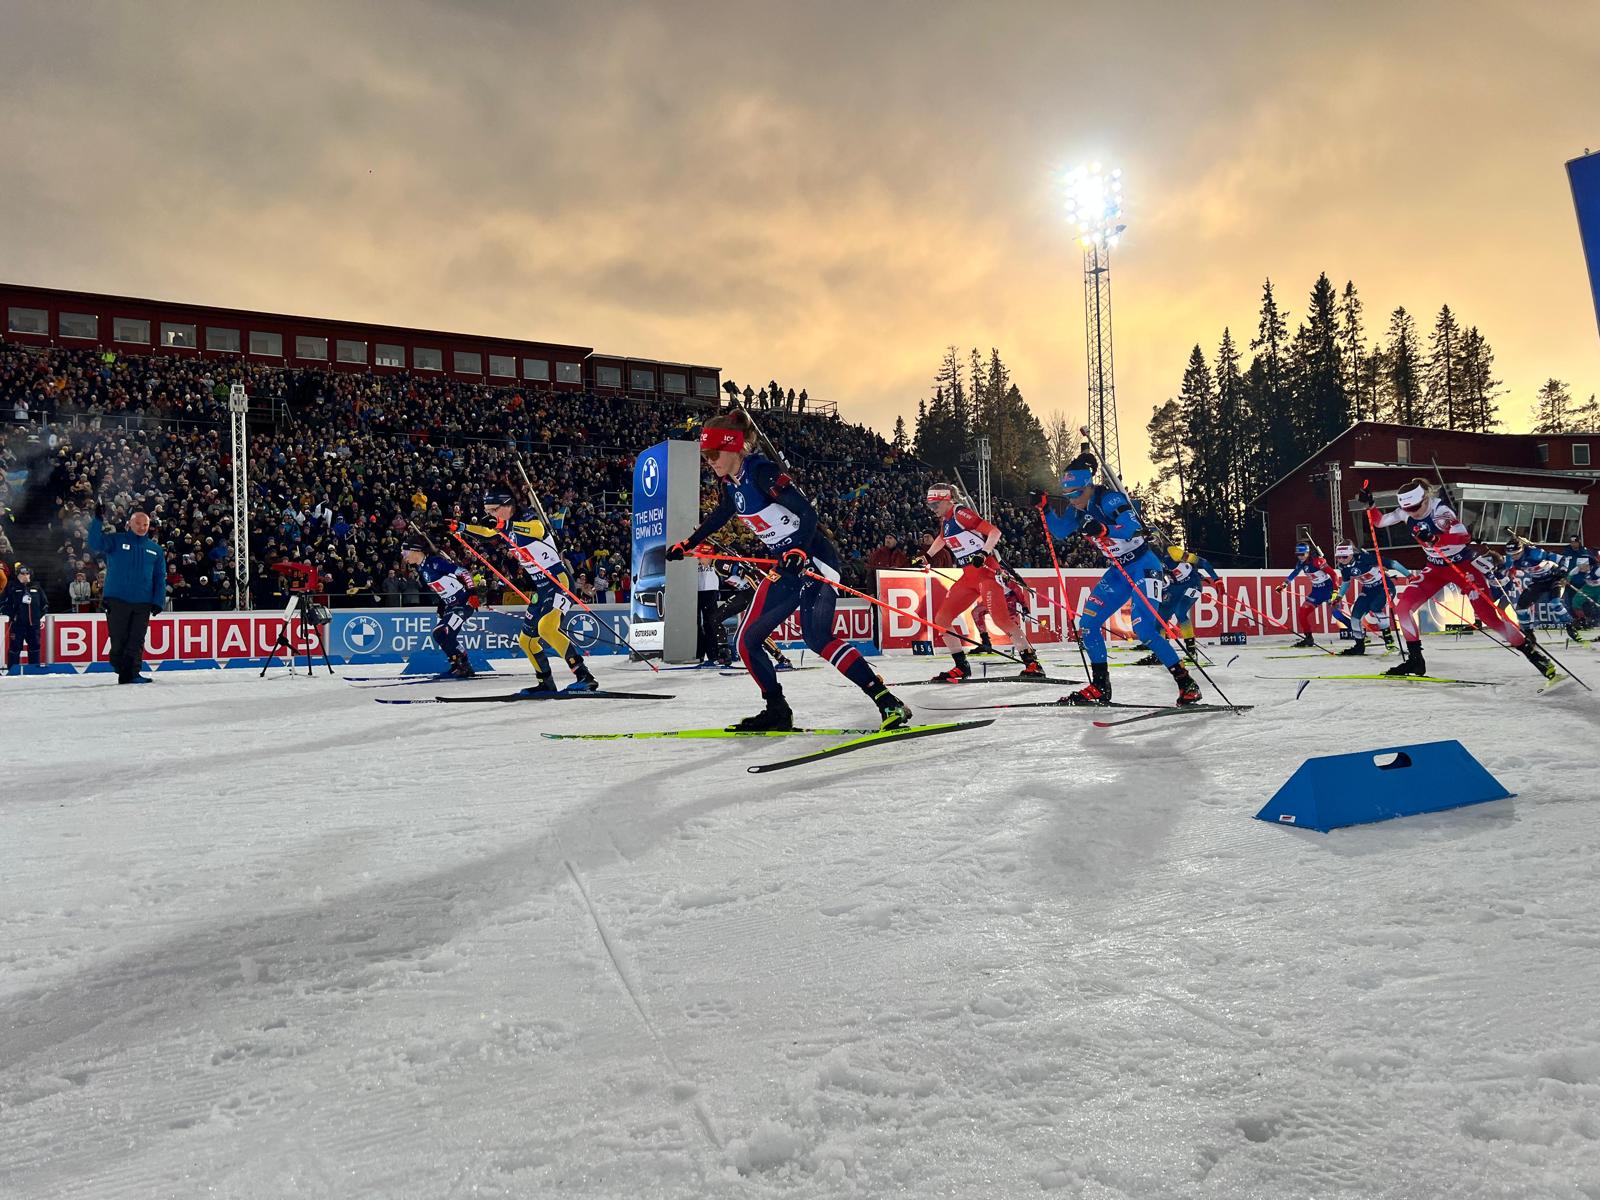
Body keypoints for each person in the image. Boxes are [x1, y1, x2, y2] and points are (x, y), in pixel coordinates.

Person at [668, 409, 909, 731]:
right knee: (747, 641)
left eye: (714, 454)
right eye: (706, 455)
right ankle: (777, 709)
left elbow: (807, 515)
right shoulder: (729, 483)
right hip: (787, 564)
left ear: (734, 447)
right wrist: (688, 542)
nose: (709, 460)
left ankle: (888, 702)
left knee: (817, 637)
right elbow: (722, 514)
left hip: (813, 558)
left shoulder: (762, 472)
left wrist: (797, 548)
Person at [1039, 454, 1200, 706]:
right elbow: (1059, 532)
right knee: (1088, 624)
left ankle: (1186, 683)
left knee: (1145, 630)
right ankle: (1100, 686)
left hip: (1143, 566)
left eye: (1076, 494)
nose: (1073, 500)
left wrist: (1105, 530)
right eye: (1067, 495)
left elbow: (1131, 526)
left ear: (1089, 486)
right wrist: (1046, 508)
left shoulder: (1109, 499)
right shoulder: (1077, 510)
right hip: (1118, 571)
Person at [1358, 479, 1555, 679]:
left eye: (1416, 507)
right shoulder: (1406, 512)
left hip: (1462, 566)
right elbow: (1379, 522)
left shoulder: (1441, 512)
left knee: (1489, 618)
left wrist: (1436, 538)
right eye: (1407, 508)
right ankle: (1416, 660)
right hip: (1435, 567)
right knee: (1402, 608)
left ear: (1426, 499)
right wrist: (1370, 505)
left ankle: (1534, 656)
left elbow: (1463, 536)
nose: (1412, 512)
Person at [460, 486, 597, 695]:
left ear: (508, 505)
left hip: (558, 581)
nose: (490, 514)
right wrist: (461, 527)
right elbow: (488, 534)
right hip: (541, 589)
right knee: (526, 640)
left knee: (547, 628)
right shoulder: (504, 525)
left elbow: (538, 530)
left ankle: (584, 677)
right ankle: (545, 682)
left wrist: (505, 524)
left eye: (494, 510)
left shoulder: (526, 516)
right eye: (488, 511)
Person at [916, 485, 1042, 681]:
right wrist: (927, 556)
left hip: (986, 574)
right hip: (968, 577)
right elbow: (942, 538)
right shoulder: (947, 520)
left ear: (948, 499)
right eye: (931, 506)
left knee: (1001, 620)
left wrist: (983, 553)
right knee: (942, 619)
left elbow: (994, 532)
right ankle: (961, 666)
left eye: (936, 504)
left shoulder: (960, 513)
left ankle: (1032, 663)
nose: (933, 509)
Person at [86, 502, 167, 684]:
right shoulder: (116, 540)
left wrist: (158, 601)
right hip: (117, 600)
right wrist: (98, 520)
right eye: (138, 523)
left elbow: (160, 576)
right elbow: (94, 542)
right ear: (129, 524)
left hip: (143, 603)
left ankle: (132, 674)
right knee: (119, 639)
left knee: (137, 639)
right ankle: (120, 665)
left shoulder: (155, 550)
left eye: (145, 524)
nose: (142, 527)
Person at [399, 533, 478, 678]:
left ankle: (463, 665)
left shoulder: (434, 562)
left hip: (463, 604)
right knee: (441, 635)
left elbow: (464, 573)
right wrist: (441, 606)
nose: (403, 556)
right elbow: (444, 587)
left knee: (443, 631)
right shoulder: (421, 568)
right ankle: (459, 665)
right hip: (451, 605)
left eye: (405, 552)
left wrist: (472, 593)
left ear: (416, 551)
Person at [1134, 545, 1220, 665]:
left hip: (1192, 584)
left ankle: (1191, 652)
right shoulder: (1149, 564)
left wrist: (1217, 580)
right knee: (1160, 619)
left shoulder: (1173, 552)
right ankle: (1160, 654)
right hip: (1174, 587)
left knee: (1180, 612)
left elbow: (1203, 562)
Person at [1332, 542, 1415, 656]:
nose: (1342, 560)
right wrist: (1339, 597)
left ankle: (1389, 641)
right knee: (1355, 617)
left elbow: (1394, 563)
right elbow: (1346, 582)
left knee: (1375, 607)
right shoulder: (1343, 567)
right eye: (1339, 557)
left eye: (1345, 556)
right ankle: (1359, 647)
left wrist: (1409, 576)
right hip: (1368, 590)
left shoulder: (1366, 558)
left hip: (1384, 587)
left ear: (1351, 554)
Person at [1504, 535, 1584, 644]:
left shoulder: (1535, 554)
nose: (1513, 557)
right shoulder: (1511, 558)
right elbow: (1507, 568)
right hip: (1538, 582)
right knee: (1520, 608)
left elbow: (1563, 559)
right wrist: (1510, 572)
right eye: (1511, 555)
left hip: (1554, 578)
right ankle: (1529, 633)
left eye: (1516, 554)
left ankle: (1570, 627)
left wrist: (1563, 571)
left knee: (1555, 604)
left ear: (1522, 550)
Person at [1276, 541, 1340, 648]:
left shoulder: (1317, 561)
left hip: (1328, 589)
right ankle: (1308, 638)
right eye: (1298, 555)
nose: (1300, 557)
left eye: (1302, 554)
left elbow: (1333, 574)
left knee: (1338, 614)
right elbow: (1294, 573)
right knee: (1302, 613)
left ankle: (1358, 634)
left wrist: (1335, 591)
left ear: (1308, 553)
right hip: (1316, 592)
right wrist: (1284, 585)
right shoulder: (1301, 563)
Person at [1, 564, 48, 674]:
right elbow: (3, 604)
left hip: (33, 625)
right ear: (17, 575)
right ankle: (12, 671)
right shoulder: (11, 587)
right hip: (18, 625)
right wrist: (13, 615)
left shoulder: (36, 587)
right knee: (15, 647)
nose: (25, 576)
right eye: (22, 574)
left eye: (27, 574)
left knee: (34, 647)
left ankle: (34, 670)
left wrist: (38, 616)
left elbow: (45, 604)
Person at [696, 558, 722, 662]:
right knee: (695, 623)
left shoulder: (712, 545)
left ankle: (713, 655)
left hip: (710, 589)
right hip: (693, 587)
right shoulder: (690, 546)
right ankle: (698, 654)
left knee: (711, 622)